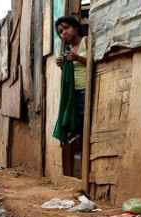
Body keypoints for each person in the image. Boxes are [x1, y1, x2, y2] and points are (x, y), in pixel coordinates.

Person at [55, 15, 87, 144]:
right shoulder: (67, 50)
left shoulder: (86, 41)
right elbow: (70, 74)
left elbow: (96, 62)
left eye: (66, 28)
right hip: (72, 94)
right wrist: (63, 66)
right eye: (60, 32)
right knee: (73, 128)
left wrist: (77, 58)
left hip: (87, 90)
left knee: (85, 127)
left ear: (75, 27)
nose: (64, 33)